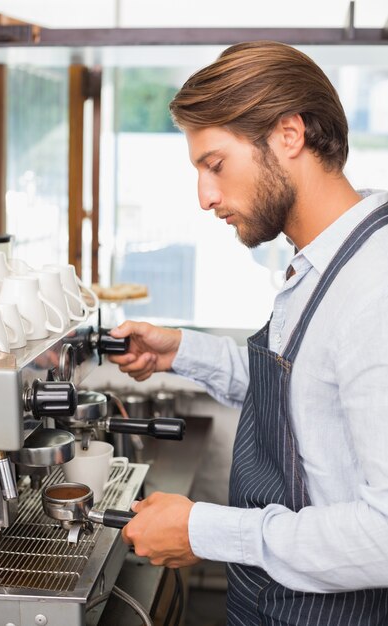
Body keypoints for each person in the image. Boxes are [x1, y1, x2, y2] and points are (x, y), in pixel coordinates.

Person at [108, 41, 388, 625]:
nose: (205, 197)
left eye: (216, 165)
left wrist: (206, 530)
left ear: (289, 135)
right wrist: (181, 350)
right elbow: (303, 393)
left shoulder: (375, 289)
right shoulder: (319, 261)